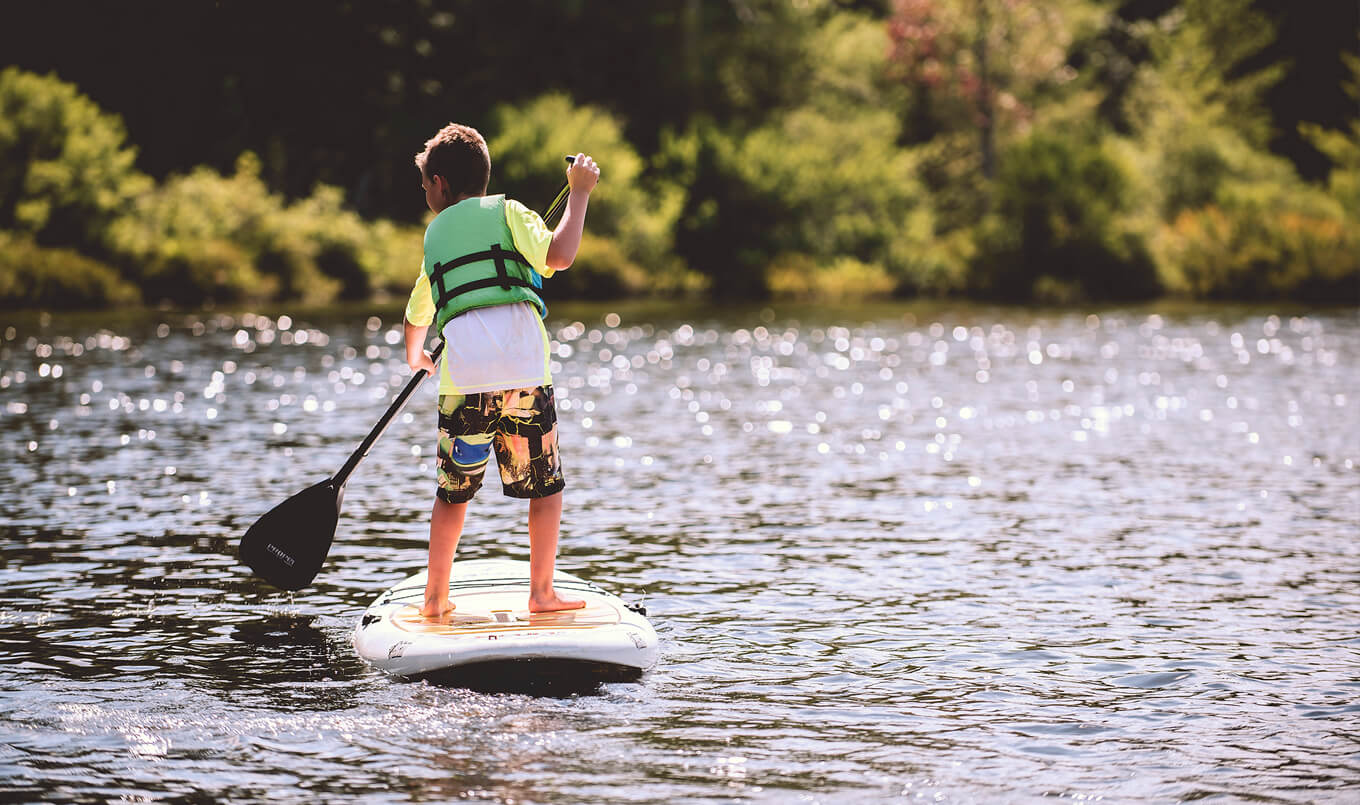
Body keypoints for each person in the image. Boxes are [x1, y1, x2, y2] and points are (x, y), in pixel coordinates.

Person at [403, 122, 598, 617]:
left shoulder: (434, 236)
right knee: (545, 487)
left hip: (464, 384)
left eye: (425, 183)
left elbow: (417, 313)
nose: (425, 191)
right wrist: (578, 196)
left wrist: (415, 355)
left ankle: (434, 599)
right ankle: (541, 594)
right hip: (525, 378)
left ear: (441, 184)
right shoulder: (511, 213)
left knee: (453, 494)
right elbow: (561, 254)